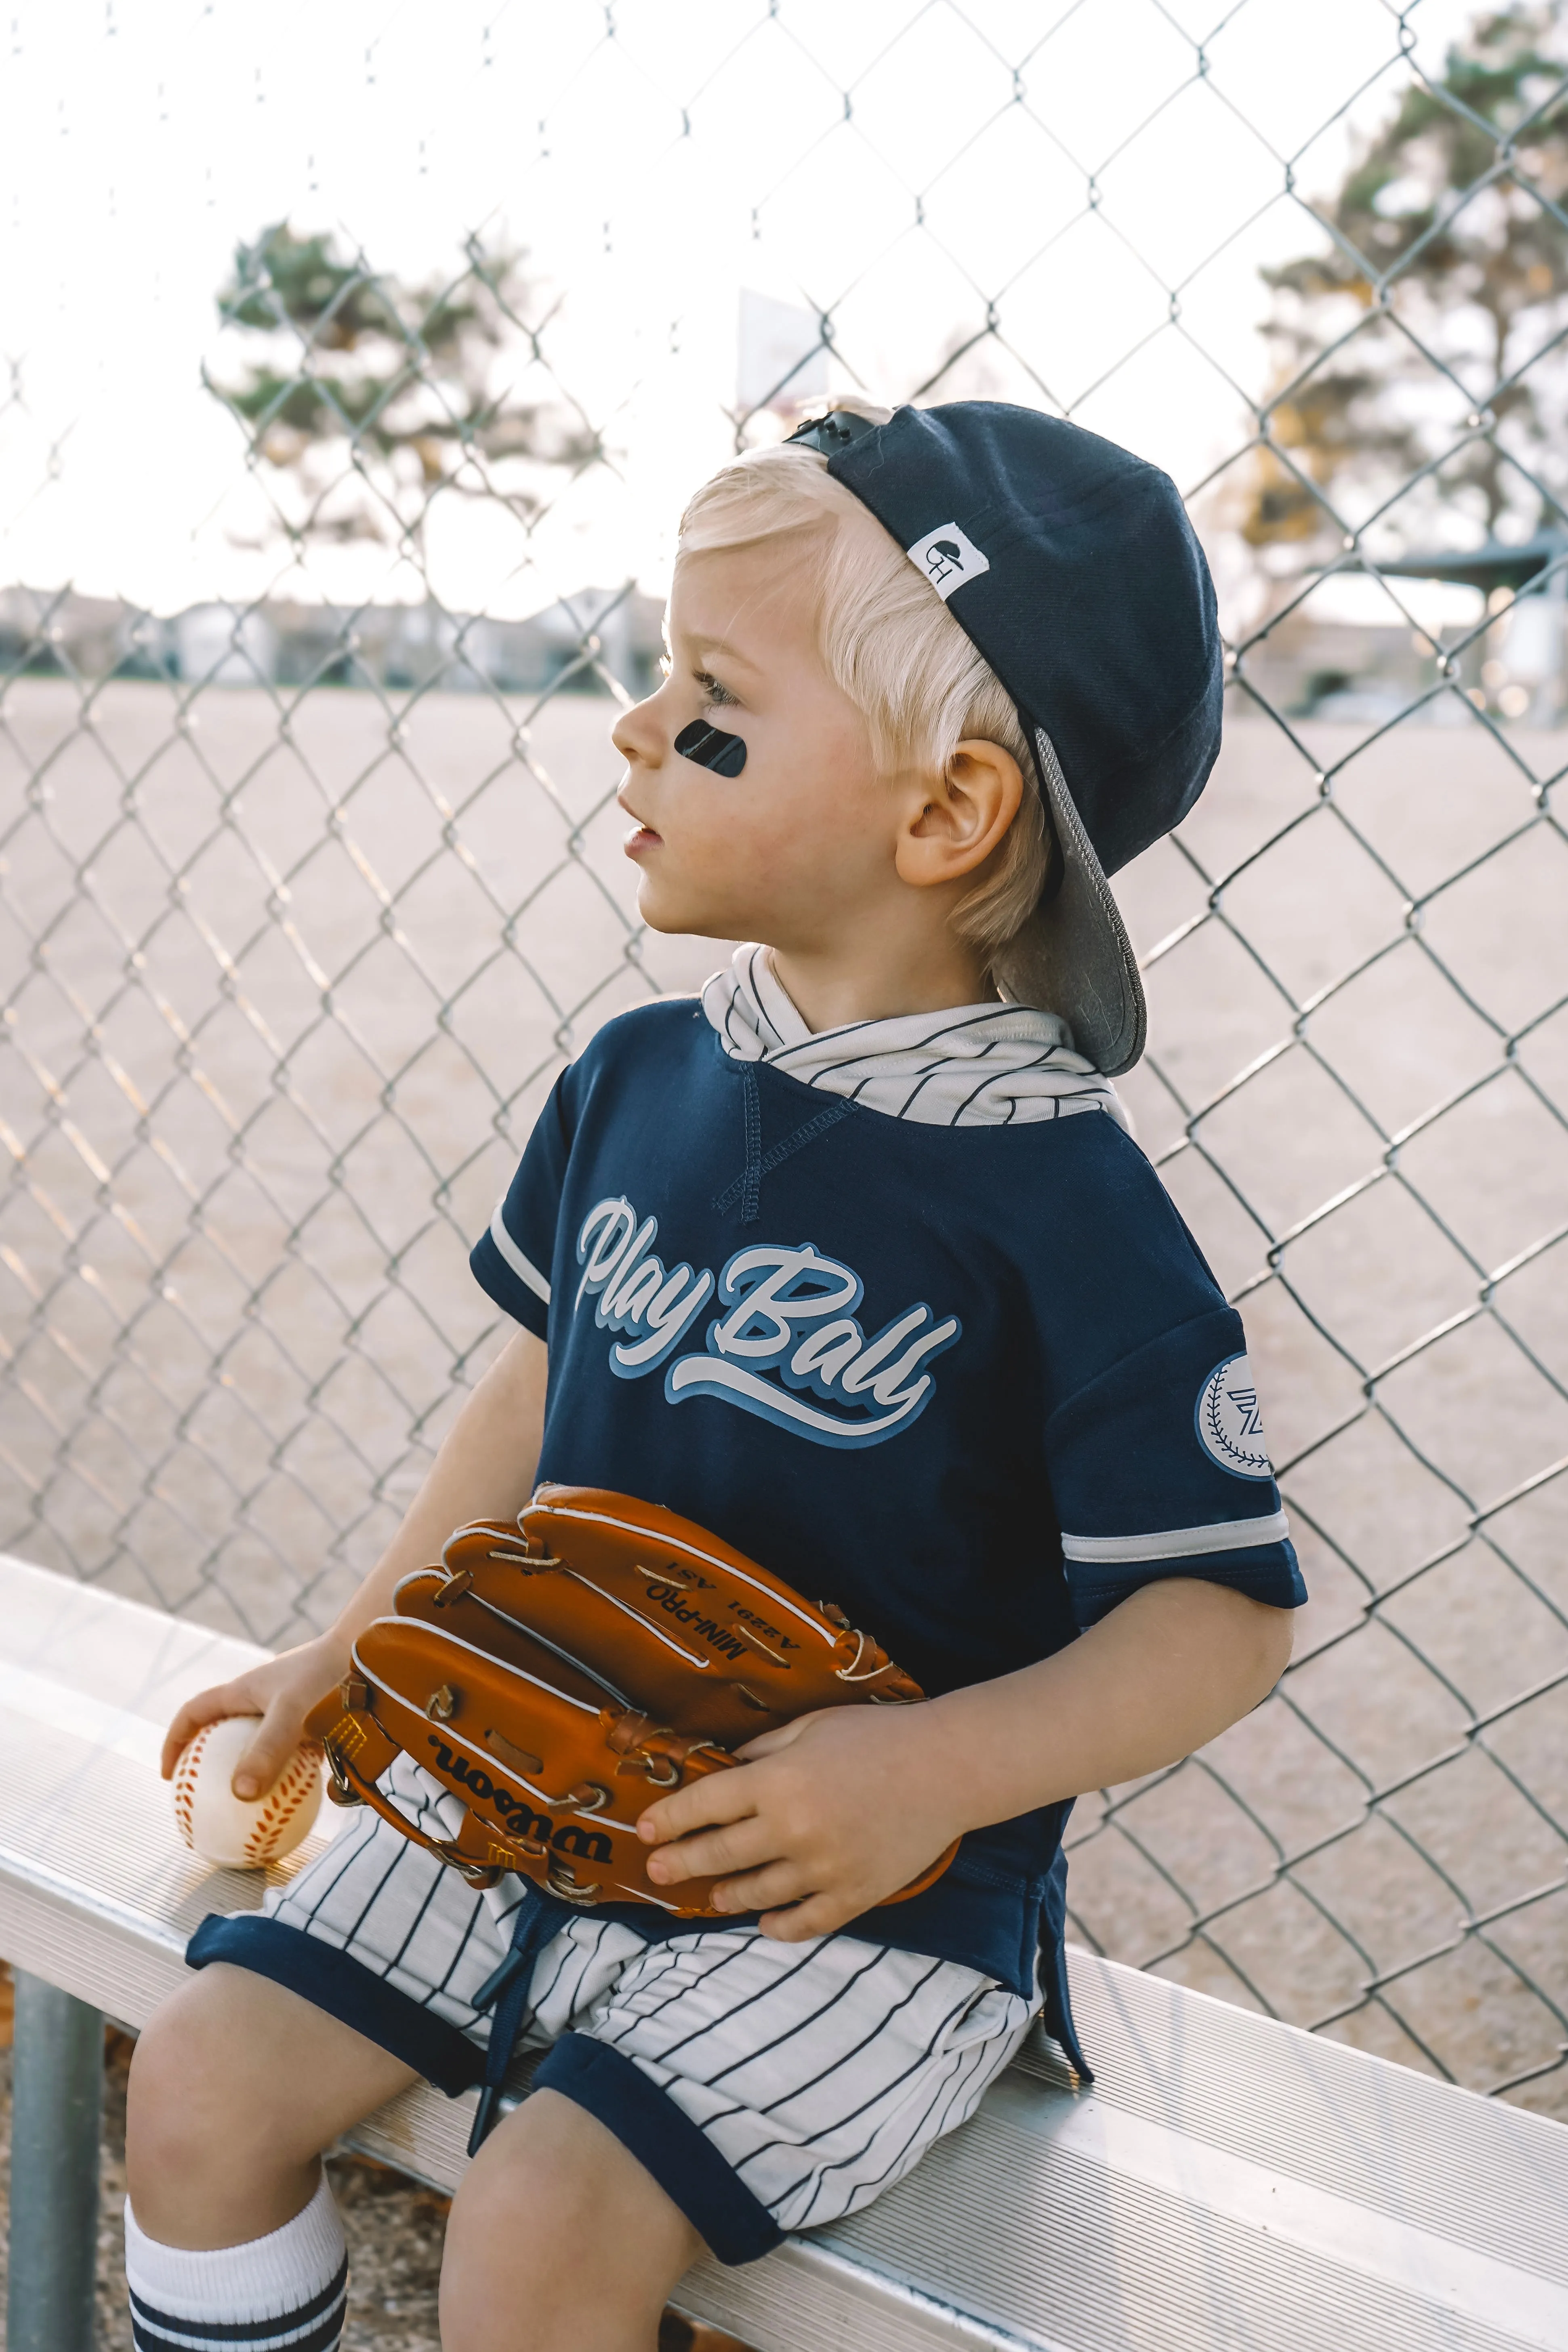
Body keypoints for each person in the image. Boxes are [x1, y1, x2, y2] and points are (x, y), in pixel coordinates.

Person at [124, 400, 1305, 2352]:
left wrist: (933, 1774)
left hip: (848, 1892)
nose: (636, 726)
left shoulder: (1065, 1204)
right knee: (201, 2080)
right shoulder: (635, 1083)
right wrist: (357, 1648)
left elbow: (1214, 1623)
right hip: (522, 1779)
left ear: (944, 815)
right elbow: (527, 1396)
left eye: (713, 703)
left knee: (538, 2231)